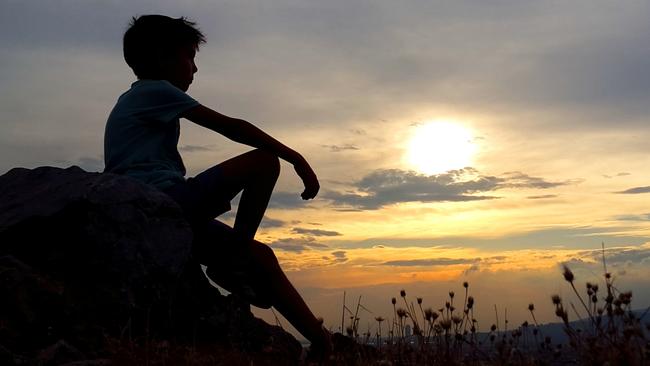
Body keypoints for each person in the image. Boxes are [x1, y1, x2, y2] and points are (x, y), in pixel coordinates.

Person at [103, 14, 331, 355]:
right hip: (158, 204)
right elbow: (231, 127)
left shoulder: (138, 99)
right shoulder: (154, 90)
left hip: (165, 208)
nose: (194, 69)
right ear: (163, 57)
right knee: (263, 162)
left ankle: (322, 343)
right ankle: (235, 262)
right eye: (189, 57)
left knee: (263, 257)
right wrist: (294, 157)